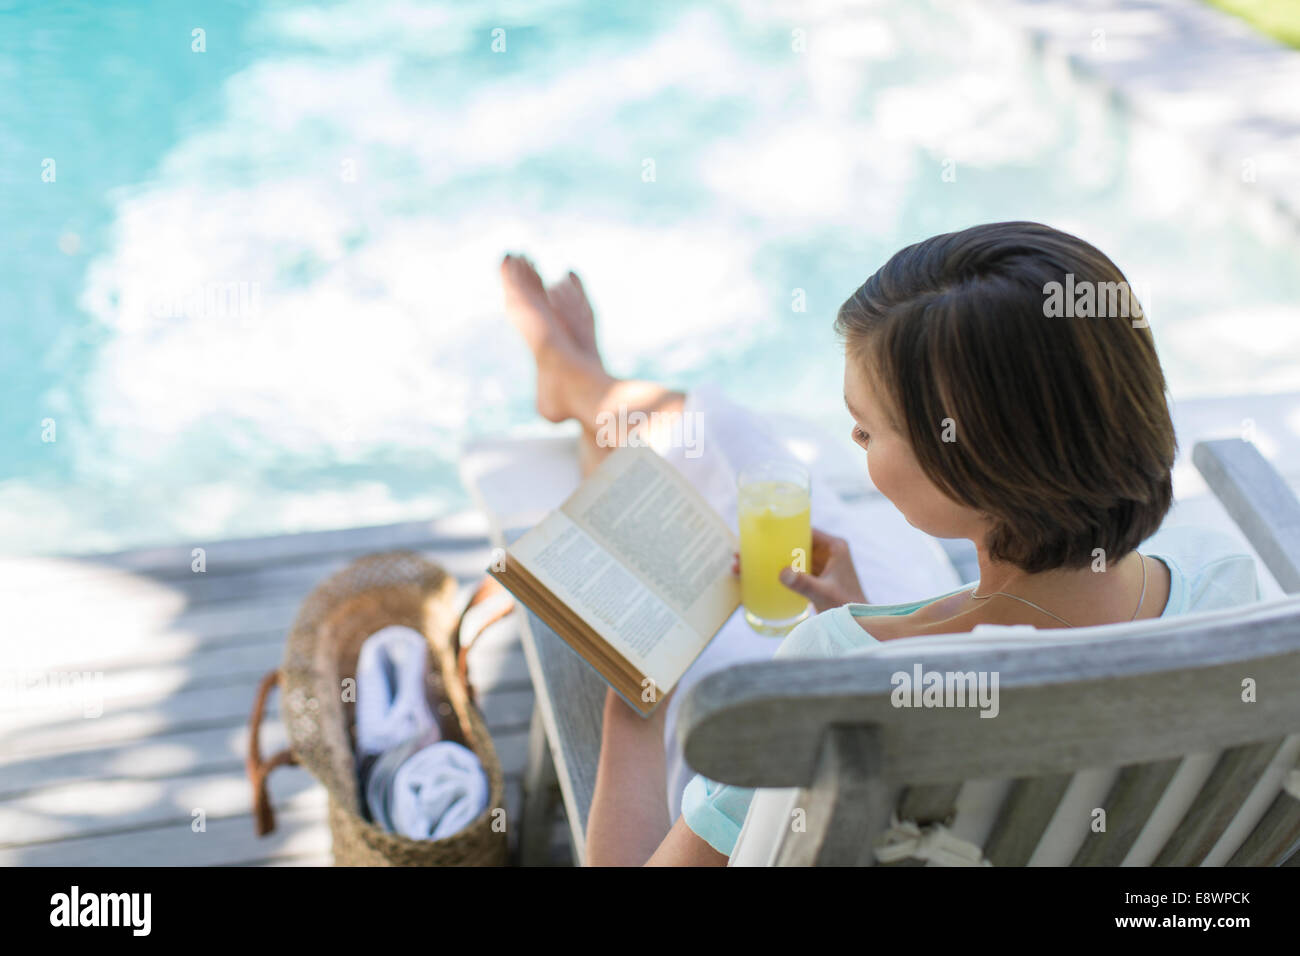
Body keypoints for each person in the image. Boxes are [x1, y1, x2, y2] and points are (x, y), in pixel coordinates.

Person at [498, 221, 1259, 867]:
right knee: (727, 442)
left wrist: (631, 711)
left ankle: (574, 384)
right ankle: (578, 381)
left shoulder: (831, 672)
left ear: (968, 462)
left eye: (866, 429)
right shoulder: (1222, 594)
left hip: (839, 741)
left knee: (716, 436)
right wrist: (878, 624)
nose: (852, 437)